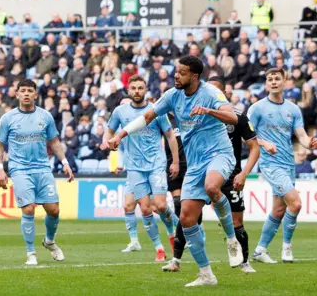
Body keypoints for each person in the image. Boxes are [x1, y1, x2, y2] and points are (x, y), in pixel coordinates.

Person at [107, 56, 242, 287]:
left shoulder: (210, 92)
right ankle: (206, 274)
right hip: (195, 162)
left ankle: (231, 238)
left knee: (212, 186)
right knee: (187, 218)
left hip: (220, 153)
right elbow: (148, 116)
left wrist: (209, 111)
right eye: (176, 71)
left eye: (181, 72)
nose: (176, 75)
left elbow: (232, 116)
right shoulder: (172, 95)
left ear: (194, 76)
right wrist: (120, 134)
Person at [163, 76, 261, 273]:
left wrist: (243, 173)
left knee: (237, 222)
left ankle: (244, 262)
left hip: (229, 174)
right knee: (188, 215)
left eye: (214, 91)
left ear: (222, 94)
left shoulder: (237, 116)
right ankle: (176, 260)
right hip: (200, 171)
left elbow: (254, 146)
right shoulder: (195, 115)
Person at [0, 79, 75, 265]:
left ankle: (49, 241)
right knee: (28, 208)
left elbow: (54, 141)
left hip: (42, 167)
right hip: (19, 168)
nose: (26, 94)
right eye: (22, 90)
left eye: (29, 91)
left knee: (53, 210)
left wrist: (65, 162)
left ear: (35, 94)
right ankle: (31, 253)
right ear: (17, 94)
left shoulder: (45, 116)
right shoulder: (8, 118)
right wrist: (0, 168)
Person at [101, 76, 180, 261]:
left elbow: (170, 136)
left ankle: (177, 229)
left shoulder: (156, 111)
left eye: (140, 88)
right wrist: (107, 142)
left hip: (156, 164)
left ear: (146, 90)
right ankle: (159, 248)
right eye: (134, 88)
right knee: (145, 209)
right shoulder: (120, 111)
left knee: (160, 206)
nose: (137, 91)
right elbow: (109, 131)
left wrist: (174, 161)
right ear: (129, 91)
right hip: (134, 167)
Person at [248, 68, 317, 263]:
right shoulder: (257, 108)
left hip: (288, 163)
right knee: (295, 203)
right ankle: (287, 248)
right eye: (269, 79)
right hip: (270, 164)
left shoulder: (293, 109)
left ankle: (260, 250)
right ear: (266, 83)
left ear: (285, 81)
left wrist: (309, 143)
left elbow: (302, 136)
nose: (273, 82)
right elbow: (245, 136)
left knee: (279, 210)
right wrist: (264, 143)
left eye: (276, 78)